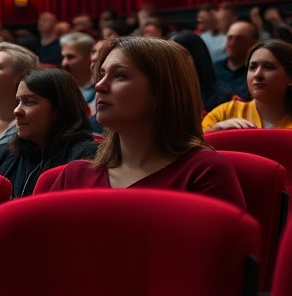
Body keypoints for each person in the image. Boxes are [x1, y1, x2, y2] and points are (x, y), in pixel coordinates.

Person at [50, 37, 244, 205]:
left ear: (161, 92)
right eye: (101, 75)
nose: (99, 86)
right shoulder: (75, 175)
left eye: (119, 75)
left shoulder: (203, 172)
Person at [0, 68, 98, 197]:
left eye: (29, 102)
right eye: (18, 102)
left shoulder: (86, 157)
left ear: (59, 109)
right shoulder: (2, 153)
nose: (16, 111)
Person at [202, 40, 292, 146]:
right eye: (252, 67)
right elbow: (195, 149)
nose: (258, 75)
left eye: (269, 67)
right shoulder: (225, 113)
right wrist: (215, 132)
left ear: (291, 77)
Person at [169, 30, 232, 111]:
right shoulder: (160, 95)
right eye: (170, 55)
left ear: (197, 57)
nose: (173, 61)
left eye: (181, 55)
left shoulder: (224, 99)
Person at [215, 21, 259, 101]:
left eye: (239, 39)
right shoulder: (213, 70)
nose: (232, 43)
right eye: (229, 38)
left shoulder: (257, 73)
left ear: (252, 43)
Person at [60, 32, 97, 108]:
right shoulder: (60, 88)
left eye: (71, 57)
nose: (64, 63)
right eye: (63, 57)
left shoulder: (101, 87)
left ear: (89, 58)